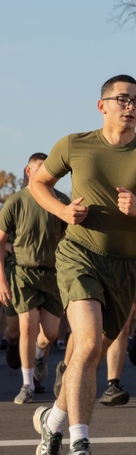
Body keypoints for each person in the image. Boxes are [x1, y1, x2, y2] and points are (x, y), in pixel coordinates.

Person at [30, 75, 136, 455]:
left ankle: (53, 422)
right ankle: (79, 442)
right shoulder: (74, 144)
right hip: (80, 254)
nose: (130, 106)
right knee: (84, 342)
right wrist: (63, 212)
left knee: (92, 352)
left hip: (126, 265)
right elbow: (39, 183)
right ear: (102, 106)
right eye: (122, 99)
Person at [0, 153, 68, 404]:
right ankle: (27, 385)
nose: (47, 174)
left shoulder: (61, 201)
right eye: (41, 169)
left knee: (49, 334)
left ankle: (39, 355)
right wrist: (2, 280)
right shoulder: (16, 201)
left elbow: (69, 240)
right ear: (29, 172)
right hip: (22, 272)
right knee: (23, 327)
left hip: (52, 275)